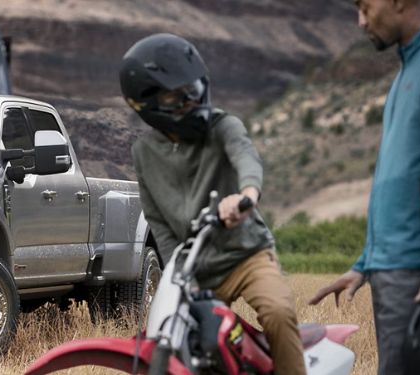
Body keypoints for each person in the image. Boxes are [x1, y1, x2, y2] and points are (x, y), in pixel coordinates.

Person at [120, 34, 305, 374]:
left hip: (245, 255)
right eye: (178, 96)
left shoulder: (223, 126)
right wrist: (178, 273)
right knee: (181, 344)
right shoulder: (144, 154)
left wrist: (246, 197)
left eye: (193, 90)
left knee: (278, 313)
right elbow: (158, 222)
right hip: (195, 271)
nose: (191, 100)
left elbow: (247, 159)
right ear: (148, 104)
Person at [310, 1, 420, 373]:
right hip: (395, 272)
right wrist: (365, 264)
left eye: (366, 7)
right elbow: (400, 184)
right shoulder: (408, 70)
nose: (361, 21)